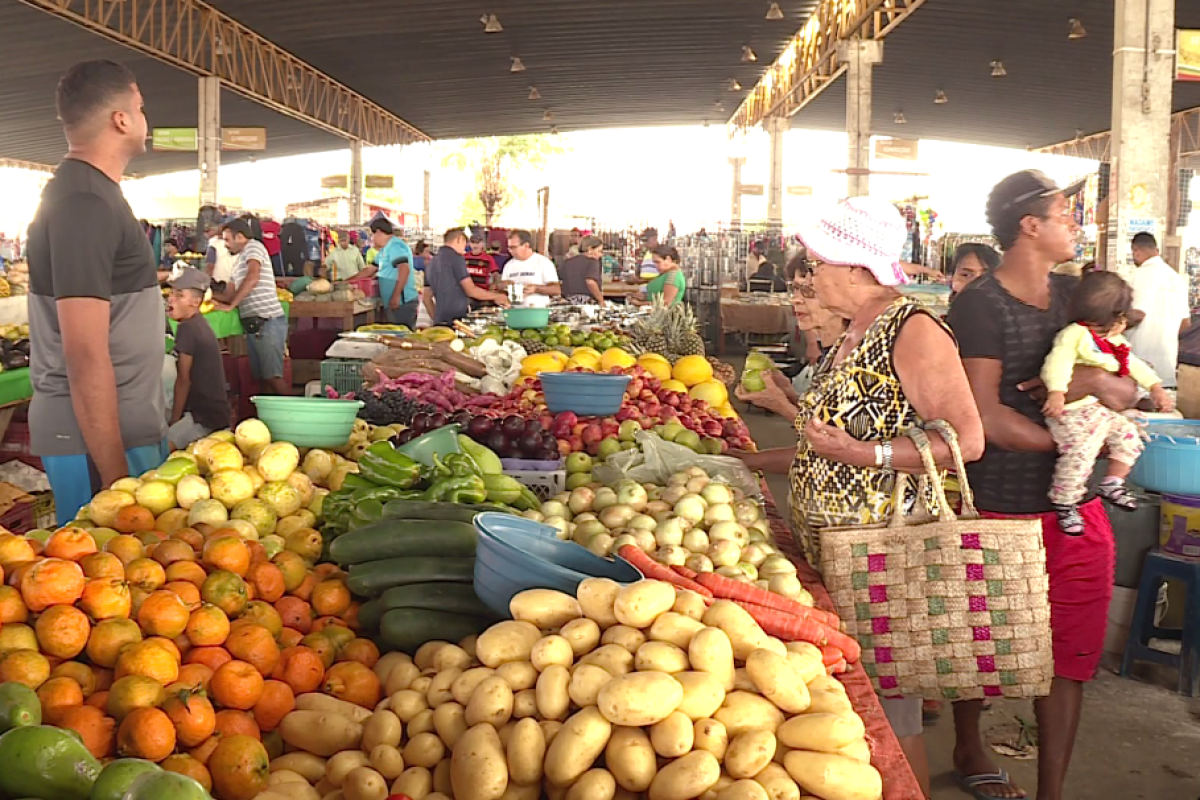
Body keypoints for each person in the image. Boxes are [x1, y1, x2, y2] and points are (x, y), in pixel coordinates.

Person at [736, 197, 986, 800]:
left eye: (818, 262)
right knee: (856, 713)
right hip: (837, 553)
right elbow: (831, 435)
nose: (810, 275)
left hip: (885, 558)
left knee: (889, 718)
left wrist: (865, 455)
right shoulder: (854, 330)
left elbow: (967, 440)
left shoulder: (913, 328)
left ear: (854, 266)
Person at [947, 170, 1139, 800]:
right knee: (984, 642)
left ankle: (1052, 792)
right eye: (1066, 215)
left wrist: (1098, 389)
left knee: (1072, 654)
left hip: (1075, 510)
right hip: (999, 503)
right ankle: (969, 744)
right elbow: (984, 417)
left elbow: (1122, 382)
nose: (1076, 226)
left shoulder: (1075, 296)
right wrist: (1077, 439)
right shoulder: (980, 303)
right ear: (1030, 226)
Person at [25, 60, 169, 524]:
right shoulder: (82, 203)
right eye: (141, 107)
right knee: (105, 576)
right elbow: (85, 352)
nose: (145, 118)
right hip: (97, 443)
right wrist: (116, 478)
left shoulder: (94, 195)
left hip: (121, 429)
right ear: (121, 118)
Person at [1040, 271, 1172, 532]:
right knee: (1080, 451)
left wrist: (1155, 386)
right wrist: (1056, 391)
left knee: (1129, 435)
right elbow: (1058, 362)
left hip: (1096, 409)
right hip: (1072, 410)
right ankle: (1066, 502)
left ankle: (1112, 481)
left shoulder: (1112, 341)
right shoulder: (1075, 335)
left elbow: (1132, 364)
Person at [737, 257, 847, 416]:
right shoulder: (831, 353)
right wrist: (790, 394)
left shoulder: (851, 358)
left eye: (809, 291)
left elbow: (829, 437)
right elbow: (818, 416)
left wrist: (782, 406)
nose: (795, 299)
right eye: (794, 288)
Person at [215, 217, 289, 396]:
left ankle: (298, 417)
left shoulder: (254, 247)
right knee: (263, 378)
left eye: (227, 239)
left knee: (273, 377)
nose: (225, 245)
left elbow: (253, 277)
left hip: (267, 322)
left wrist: (231, 305)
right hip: (254, 326)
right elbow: (229, 294)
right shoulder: (237, 263)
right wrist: (209, 296)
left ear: (240, 237)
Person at [167, 270, 231, 448]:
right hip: (214, 413)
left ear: (195, 302)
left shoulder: (187, 328)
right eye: (171, 293)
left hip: (204, 418)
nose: (171, 299)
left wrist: (175, 420)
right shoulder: (198, 323)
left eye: (179, 295)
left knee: (163, 447)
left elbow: (183, 380)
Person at [1128, 232, 1190, 387]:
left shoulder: (1141, 274)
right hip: (1167, 365)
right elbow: (1185, 323)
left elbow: (1138, 314)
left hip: (1141, 365)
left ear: (1136, 251)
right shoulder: (1176, 278)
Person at [422, 228, 510, 325]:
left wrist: (437, 319)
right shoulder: (457, 258)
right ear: (459, 240)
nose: (464, 248)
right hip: (459, 318)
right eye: (464, 244)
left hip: (441, 318)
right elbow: (471, 290)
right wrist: (496, 296)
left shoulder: (431, 263)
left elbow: (426, 298)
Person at [369, 218, 418, 329]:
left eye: (372, 235)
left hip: (402, 302)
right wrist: (348, 281)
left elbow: (404, 269)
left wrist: (396, 296)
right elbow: (370, 269)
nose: (372, 239)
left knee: (402, 336)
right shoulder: (384, 249)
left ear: (378, 232)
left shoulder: (395, 246)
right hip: (394, 302)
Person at [502, 230, 560, 308]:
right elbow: (504, 288)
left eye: (513, 247)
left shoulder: (543, 262)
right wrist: (504, 287)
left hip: (538, 311)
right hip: (515, 311)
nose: (510, 251)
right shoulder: (508, 265)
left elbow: (556, 290)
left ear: (526, 245)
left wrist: (535, 289)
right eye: (509, 248)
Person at [560, 235, 606, 306]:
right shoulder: (593, 262)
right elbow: (590, 282)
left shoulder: (567, 262)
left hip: (568, 301)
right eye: (599, 251)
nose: (601, 255)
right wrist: (601, 300)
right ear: (590, 249)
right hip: (586, 302)